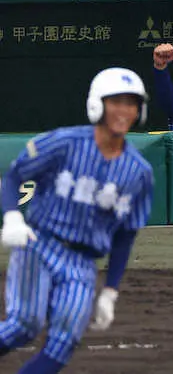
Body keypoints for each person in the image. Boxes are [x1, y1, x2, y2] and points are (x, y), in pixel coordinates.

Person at [0, 68, 154, 374]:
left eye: (131, 103)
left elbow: (126, 234)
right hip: (40, 245)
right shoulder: (65, 142)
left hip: (82, 263)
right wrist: (13, 217)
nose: (124, 110)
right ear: (97, 104)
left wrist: (110, 291)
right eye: (116, 101)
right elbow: (16, 174)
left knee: (64, 342)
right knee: (24, 325)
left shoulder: (139, 171)